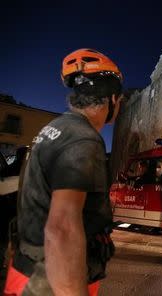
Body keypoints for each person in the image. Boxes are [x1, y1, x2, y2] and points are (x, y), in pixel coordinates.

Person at [3, 48, 122, 295]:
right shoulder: (83, 140)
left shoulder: (54, 129)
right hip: (49, 282)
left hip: (27, 269)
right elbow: (62, 230)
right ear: (111, 99)